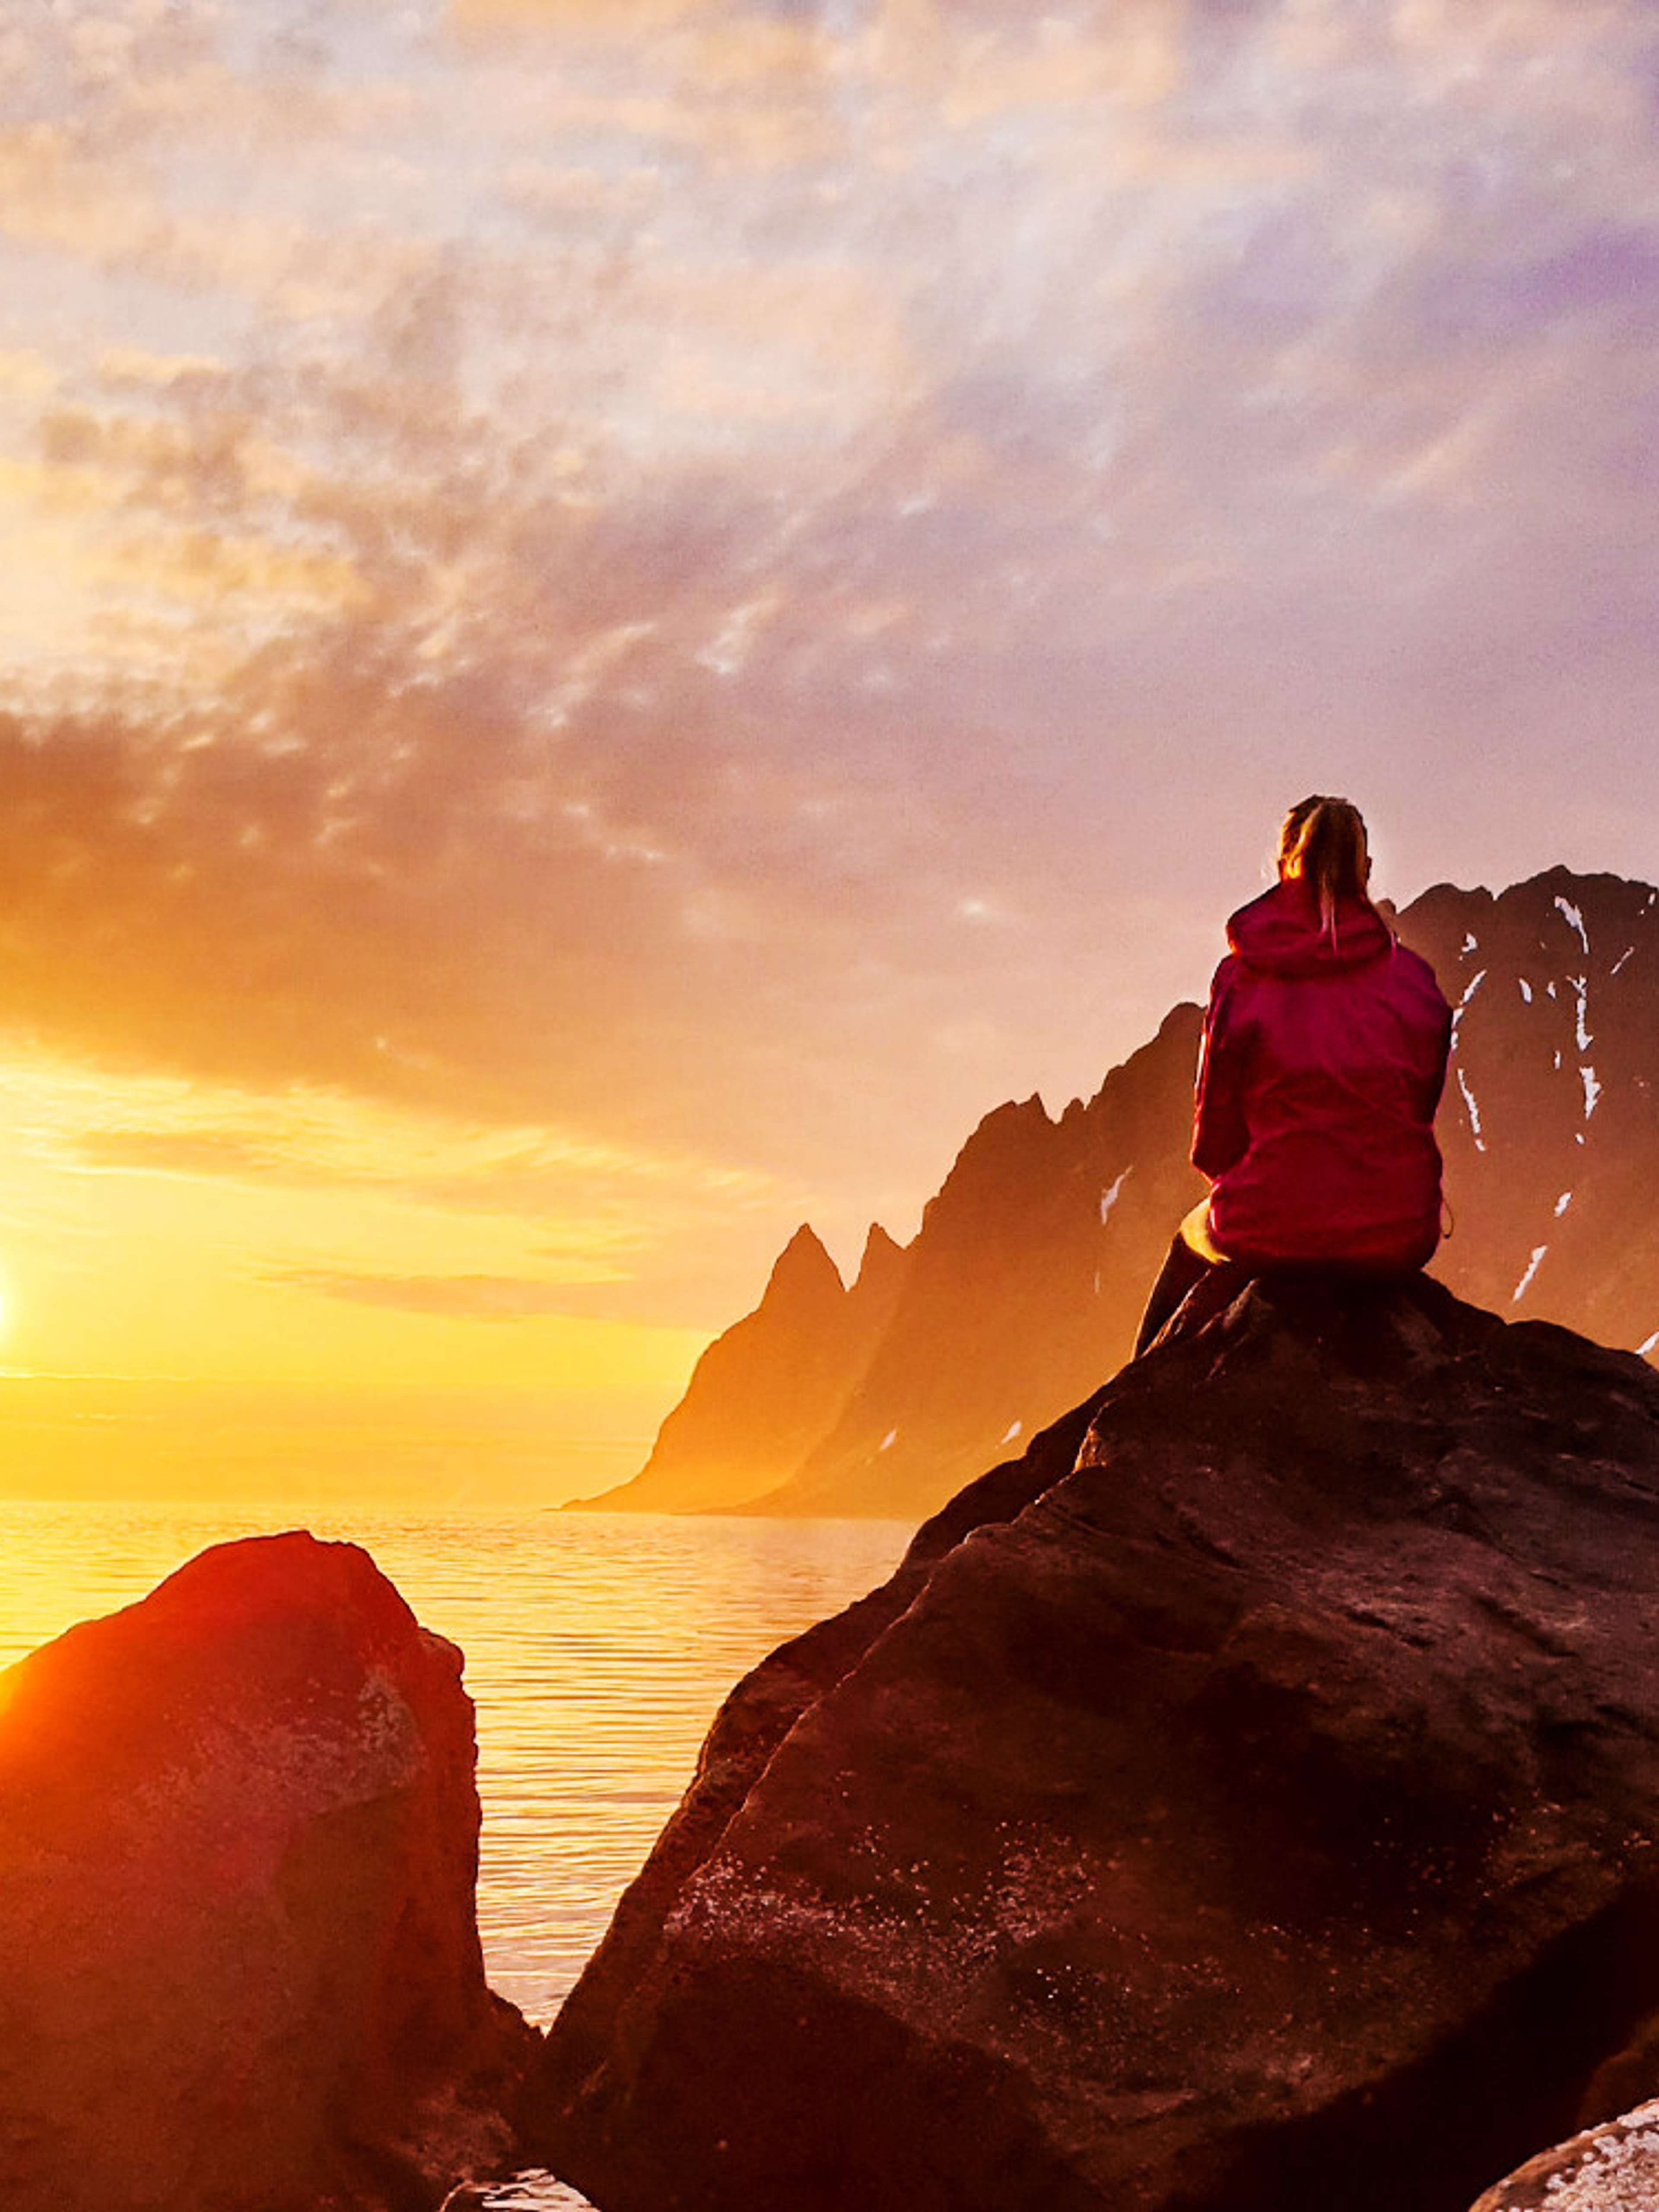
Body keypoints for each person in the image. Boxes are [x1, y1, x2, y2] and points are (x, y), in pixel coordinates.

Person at [1134, 795, 1453, 1354]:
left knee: (1186, 1247)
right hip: (1397, 1230)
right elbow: (1419, 1106)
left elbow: (1215, 1139)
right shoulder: (1417, 983)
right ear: (1366, 870)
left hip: (1270, 1222)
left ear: (1285, 864)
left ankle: (1135, 1389)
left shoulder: (1242, 978)